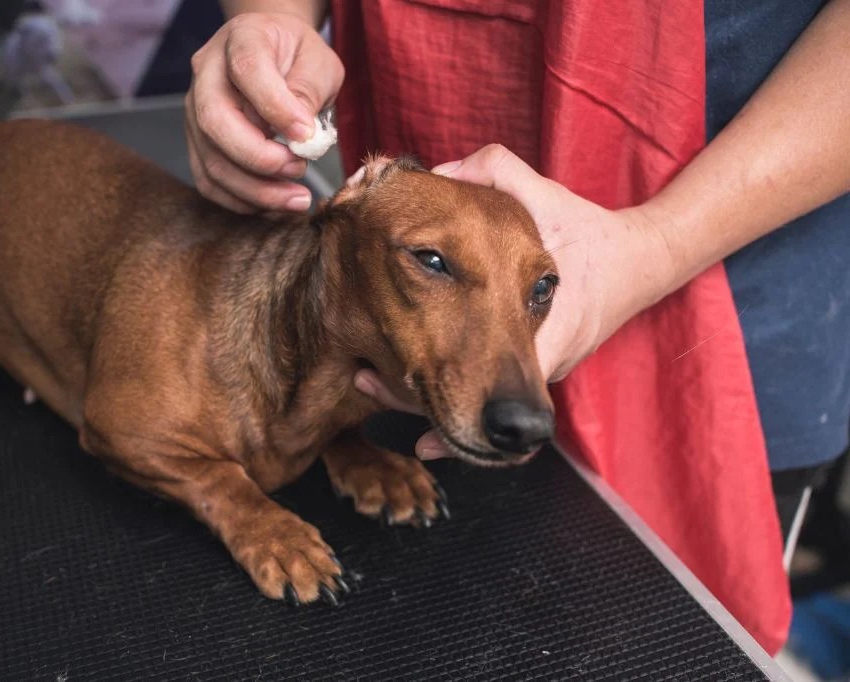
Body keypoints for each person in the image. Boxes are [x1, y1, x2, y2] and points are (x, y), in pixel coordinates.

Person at [184, 0, 850, 653]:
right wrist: (275, 23)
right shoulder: (382, 247)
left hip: (735, 301)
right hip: (402, 302)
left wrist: (659, 244)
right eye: (436, 263)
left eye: (541, 289)